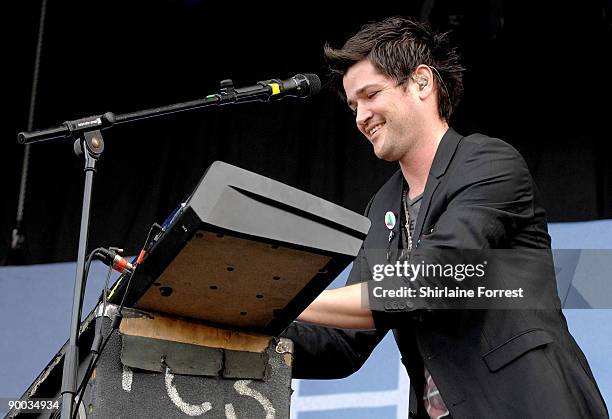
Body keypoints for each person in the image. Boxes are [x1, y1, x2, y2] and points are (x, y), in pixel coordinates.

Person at [282, 16, 608, 419]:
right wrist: (241, 323)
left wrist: (281, 298)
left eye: (371, 95)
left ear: (421, 82)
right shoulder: (383, 207)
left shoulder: (488, 163)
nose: (360, 116)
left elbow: (431, 279)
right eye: (353, 105)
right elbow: (342, 345)